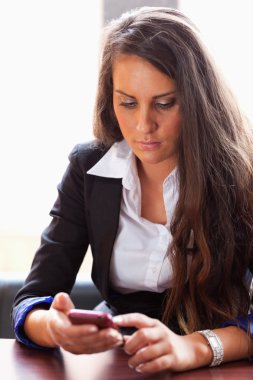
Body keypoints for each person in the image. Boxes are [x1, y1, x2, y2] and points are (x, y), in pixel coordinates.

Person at [12, 6, 253, 374]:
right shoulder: (88, 170)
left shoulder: (241, 175)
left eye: (164, 103)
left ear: (197, 100)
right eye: (127, 102)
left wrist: (193, 348)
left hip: (214, 363)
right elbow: (32, 299)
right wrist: (54, 329)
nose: (143, 125)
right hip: (119, 361)